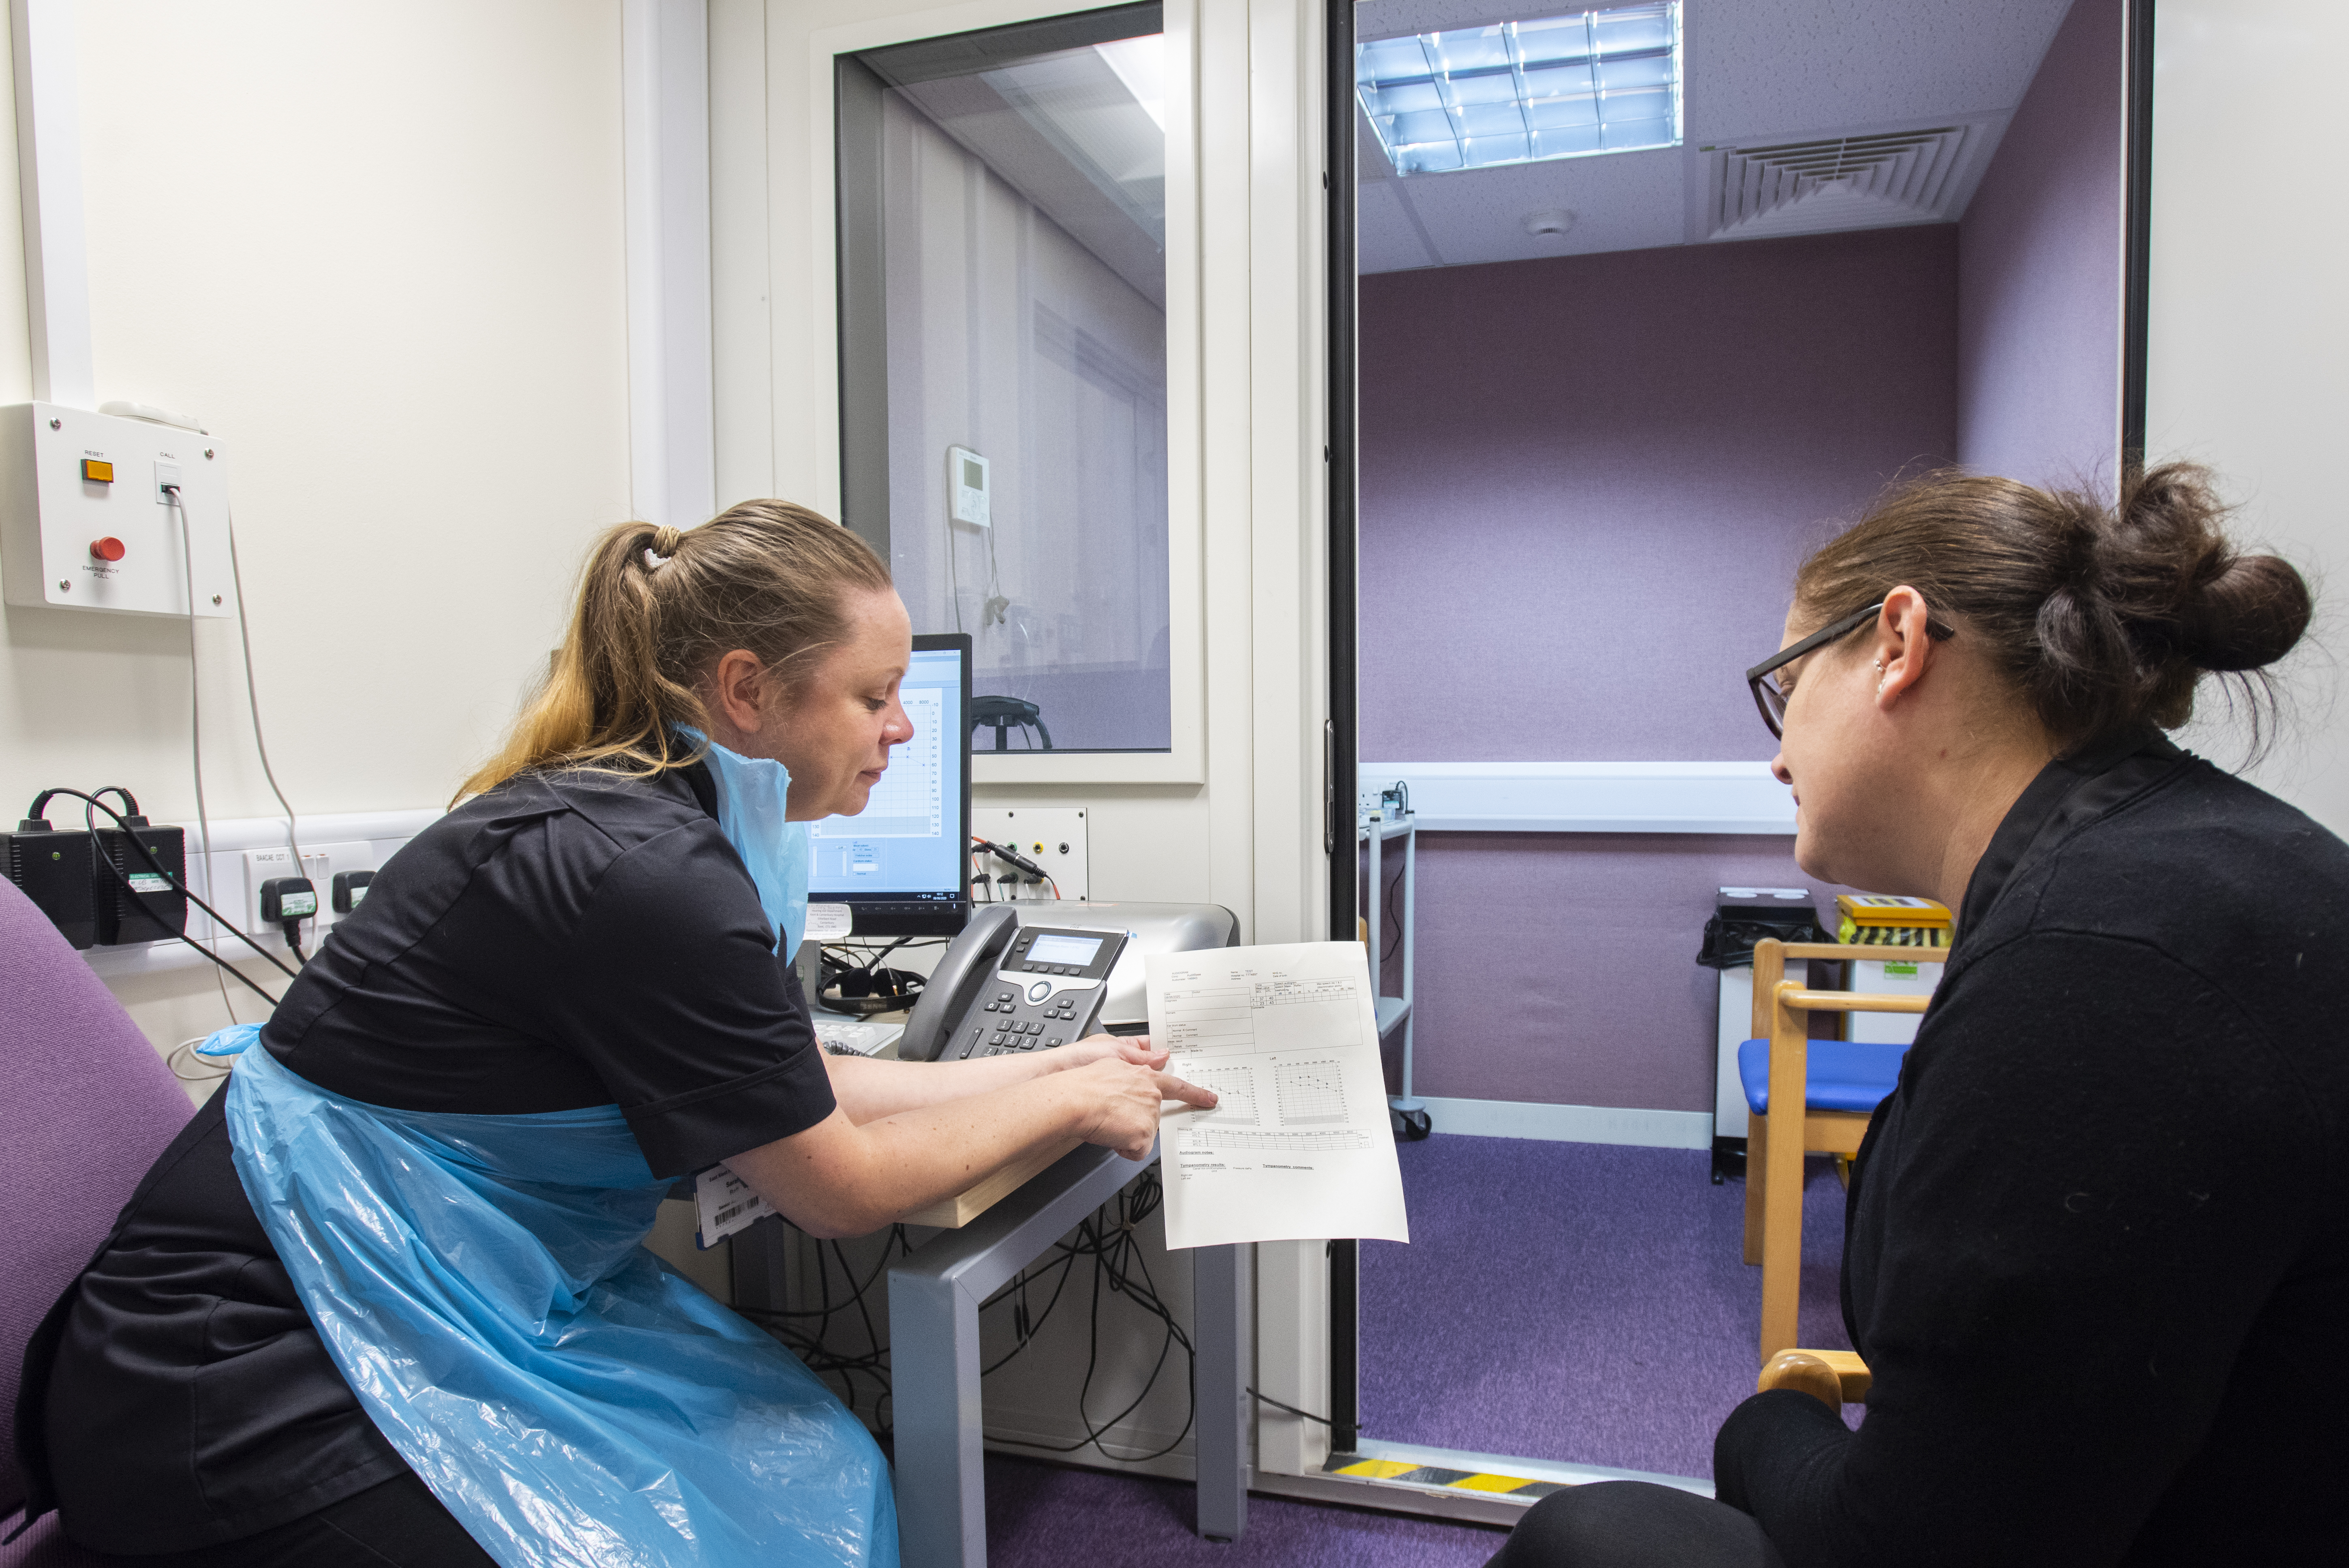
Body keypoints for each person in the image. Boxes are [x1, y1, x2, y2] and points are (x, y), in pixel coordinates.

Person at [14, 501, 1216, 1567]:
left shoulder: (657, 816)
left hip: (427, 1296)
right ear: (747, 690)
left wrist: (1061, 1059)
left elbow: (797, 1077)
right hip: (235, 1385)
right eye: (872, 693)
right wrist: (1068, 1105)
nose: (901, 726)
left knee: (818, 1465)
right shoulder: (643, 868)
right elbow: (842, 1186)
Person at [1489, 465, 2348, 1566]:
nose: (1775, 751)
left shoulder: (2094, 972)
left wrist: (1767, 1425)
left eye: (1783, 687)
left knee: (1584, 1533)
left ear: (1894, 643)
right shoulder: (2177, 863)